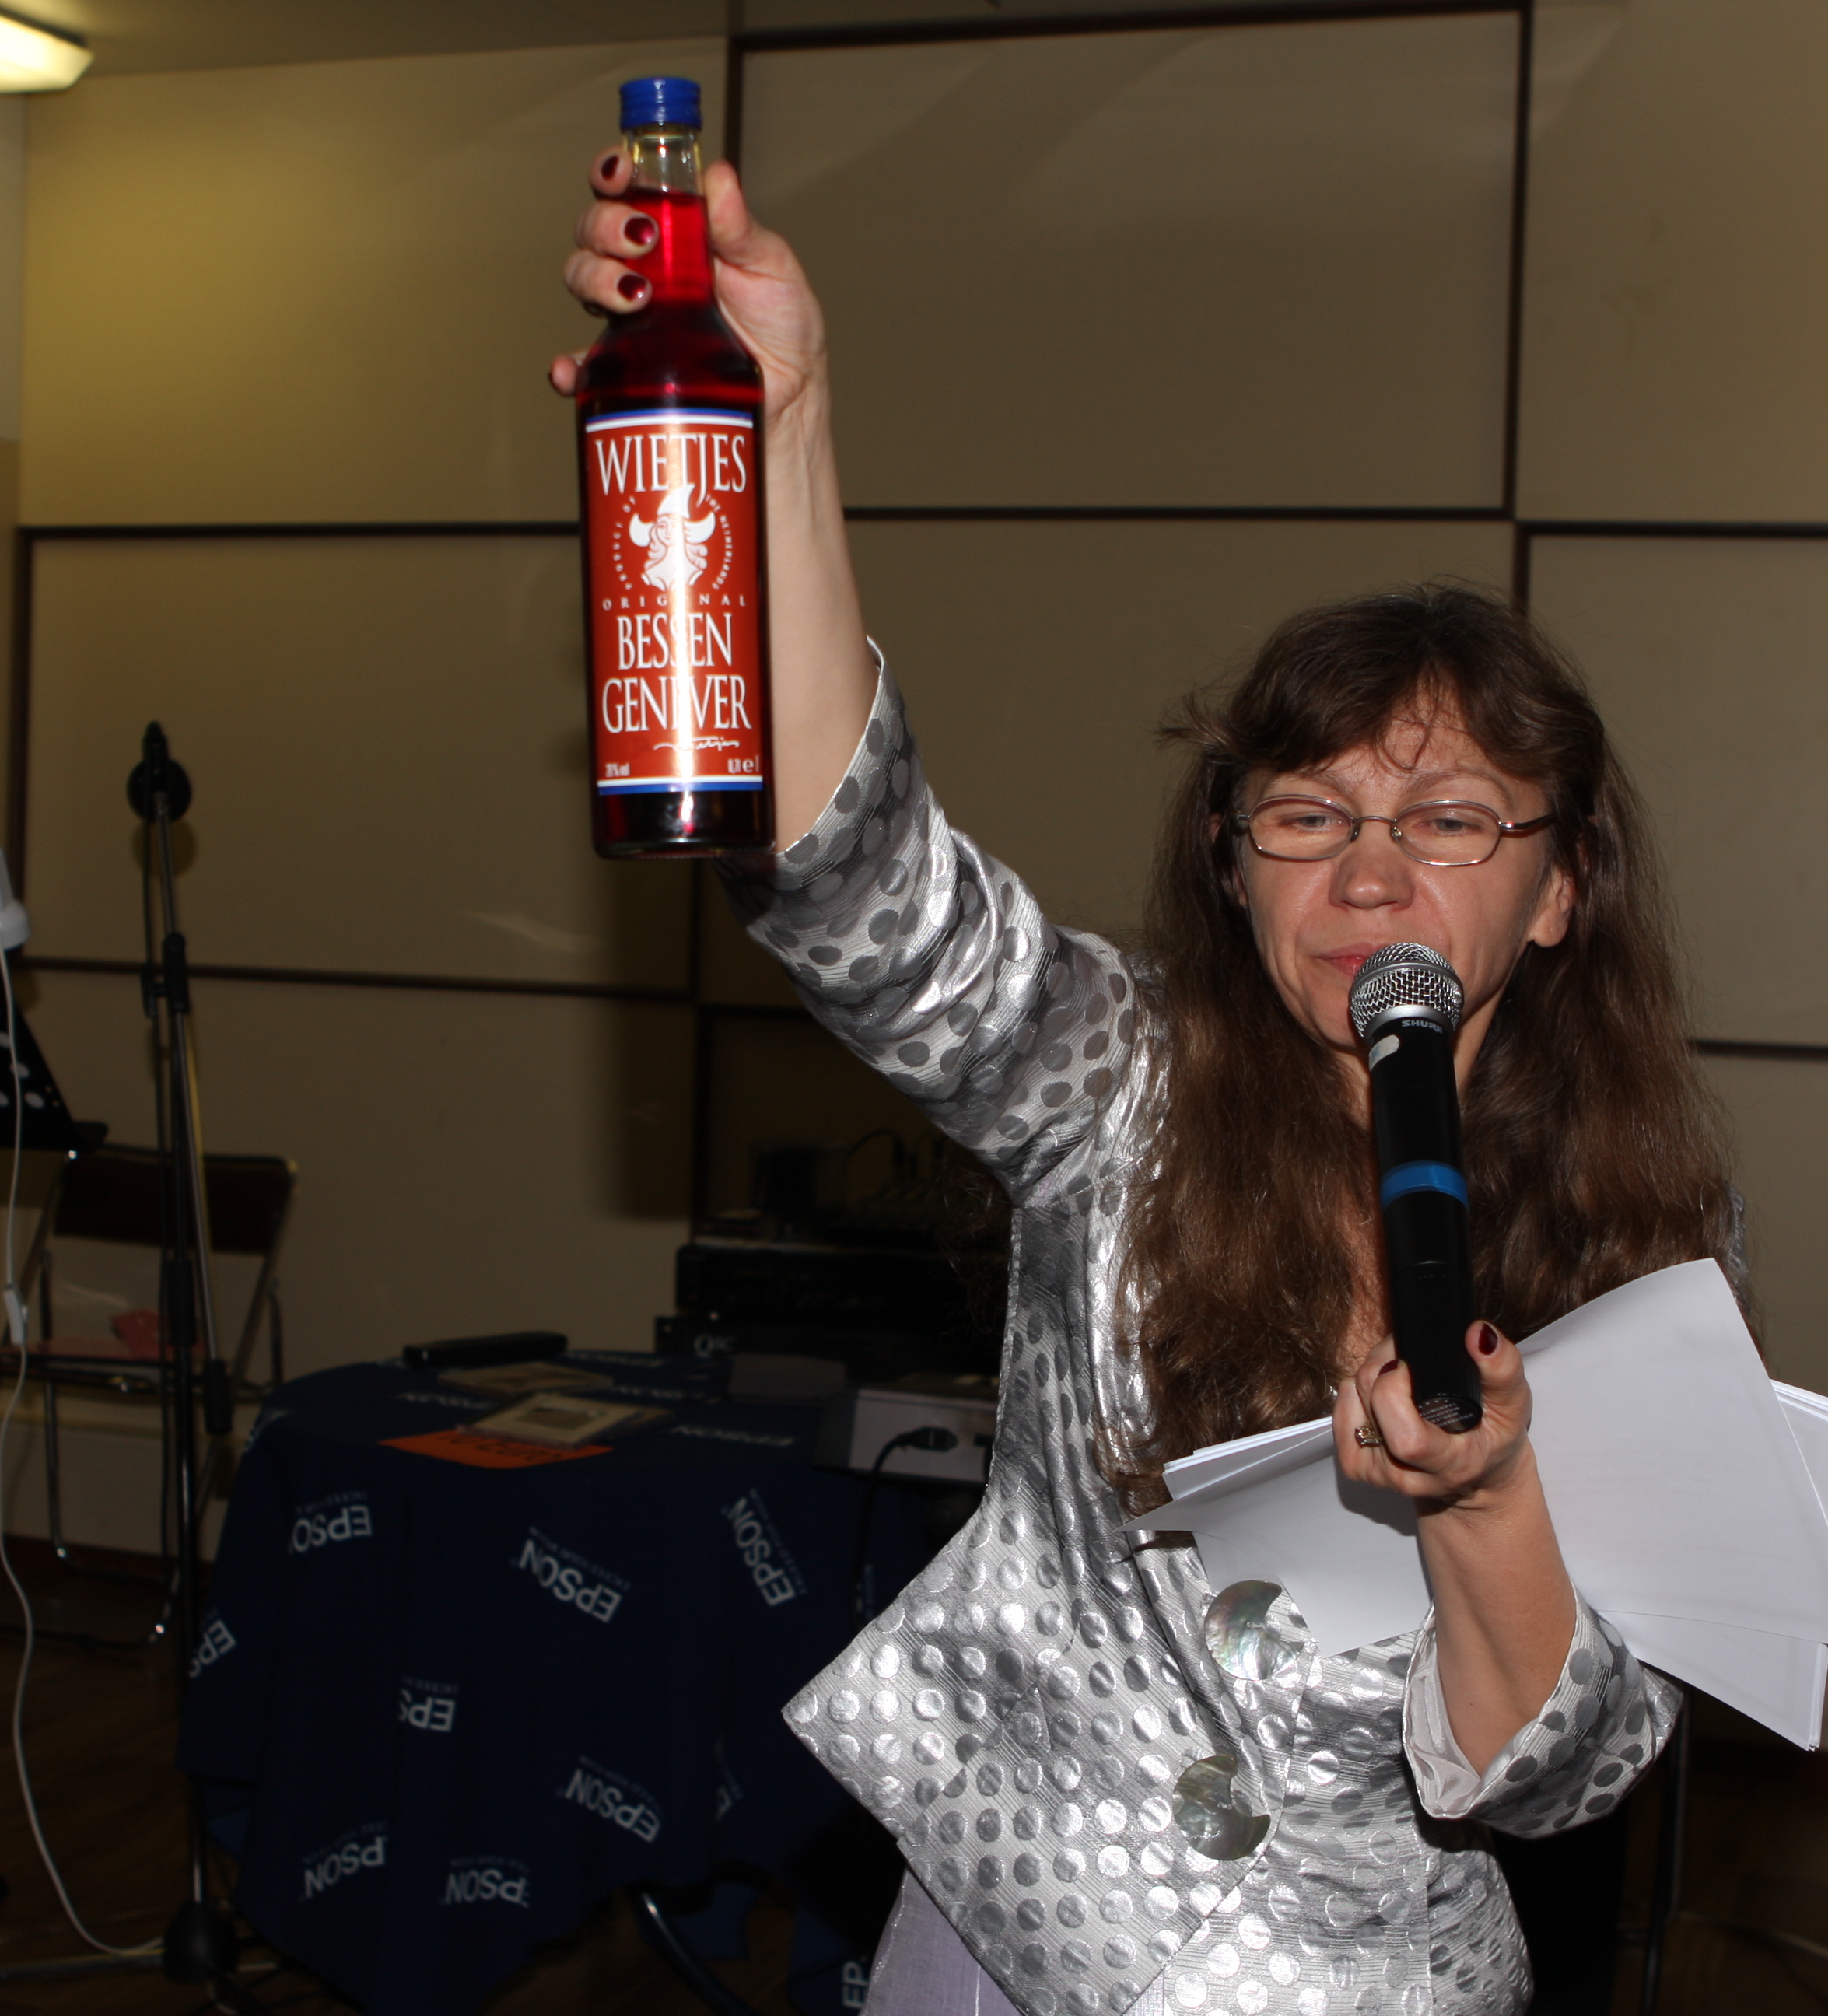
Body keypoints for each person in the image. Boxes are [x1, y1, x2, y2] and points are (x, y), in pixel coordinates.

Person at [552, 149, 1737, 2016]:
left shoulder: (1641, 1236)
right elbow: (863, 892)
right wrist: (782, 422)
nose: (1370, 877)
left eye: (1450, 820)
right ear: (1234, 863)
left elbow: (1576, 1773)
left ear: (1561, 885)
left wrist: (1486, 1496)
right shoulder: (1124, 1081)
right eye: (1307, 816)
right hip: (1020, 1930)